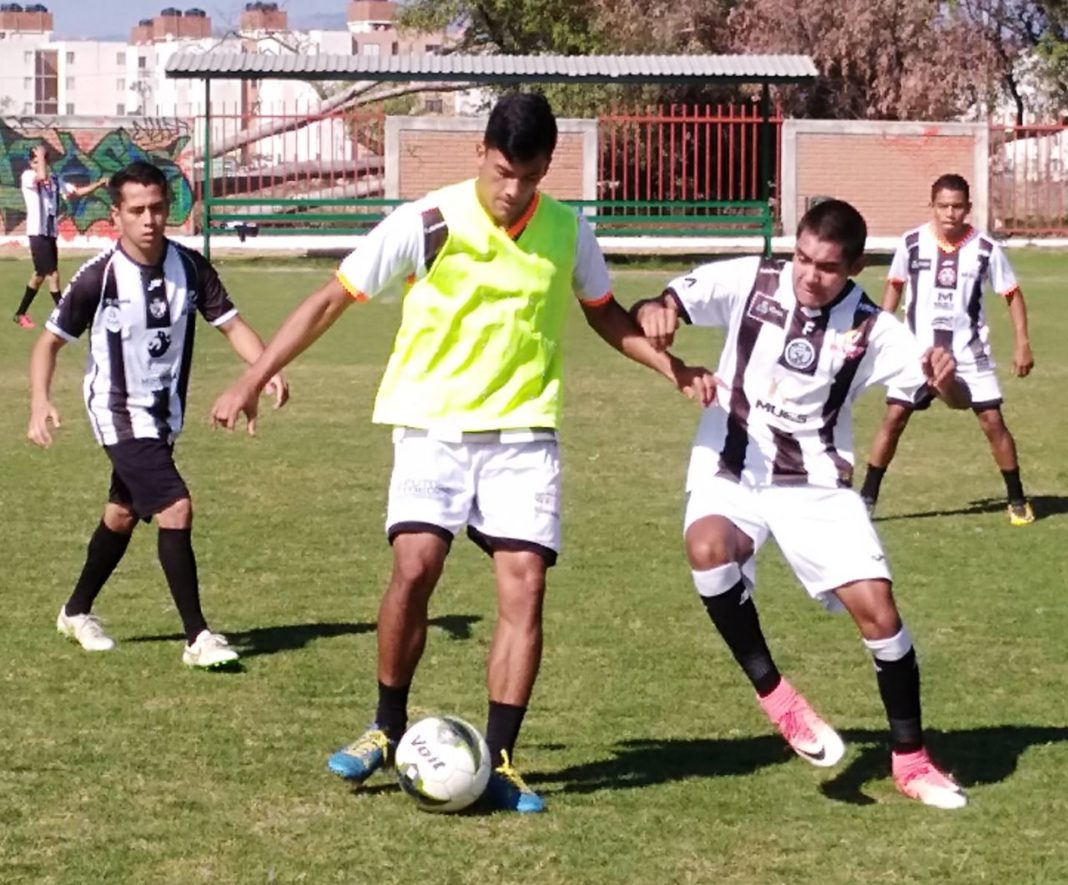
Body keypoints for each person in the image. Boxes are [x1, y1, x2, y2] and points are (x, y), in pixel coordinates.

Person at [209, 93, 715, 812]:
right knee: (416, 567)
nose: (513, 191)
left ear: (548, 168)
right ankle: (386, 728)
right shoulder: (430, 220)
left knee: (526, 586)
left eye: (529, 177)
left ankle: (501, 762)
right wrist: (252, 377)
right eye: (504, 171)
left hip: (523, 437)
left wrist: (674, 368)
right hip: (431, 428)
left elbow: (605, 315)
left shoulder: (569, 231)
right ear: (480, 151)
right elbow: (331, 298)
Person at [632, 199, 971, 810]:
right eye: (803, 258)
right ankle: (780, 700)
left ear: (854, 268)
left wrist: (947, 380)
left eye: (827, 268)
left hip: (814, 482)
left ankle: (912, 761)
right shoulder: (752, 279)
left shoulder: (873, 328)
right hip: (732, 462)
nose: (810, 275)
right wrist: (658, 311)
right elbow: (663, 303)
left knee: (881, 614)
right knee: (708, 550)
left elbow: (951, 394)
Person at [27, 160, 288, 669]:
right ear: (117, 216)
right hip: (117, 412)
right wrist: (39, 401)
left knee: (121, 515)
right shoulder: (98, 276)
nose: (149, 219)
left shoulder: (189, 267)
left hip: (163, 415)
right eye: (137, 210)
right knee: (176, 507)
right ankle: (198, 638)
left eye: (158, 208)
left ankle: (75, 611)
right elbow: (47, 344)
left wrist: (263, 369)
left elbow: (232, 326)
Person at [859, 174, 1035, 524]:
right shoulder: (911, 243)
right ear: (932, 206)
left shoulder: (986, 249)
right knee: (894, 418)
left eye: (957, 206)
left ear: (968, 208)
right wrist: (879, 332)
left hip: (969, 354)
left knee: (992, 421)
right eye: (943, 206)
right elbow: (894, 286)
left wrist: (1022, 343)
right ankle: (866, 499)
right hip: (915, 353)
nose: (950, 213)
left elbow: (1012, 294)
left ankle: (1016, 498)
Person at [14, 144, 108, 329]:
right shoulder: (28, 176)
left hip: (50, 233)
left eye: (40, 160)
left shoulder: (56, 180)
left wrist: (98, 184)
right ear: (30, 163)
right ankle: (65, 313)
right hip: (37, 233)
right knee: (53, 275)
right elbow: (40, 176)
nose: (38, 164)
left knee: (40, 274)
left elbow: (76, 192)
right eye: (34, 161)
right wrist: (40, 155)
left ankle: (20, 313)